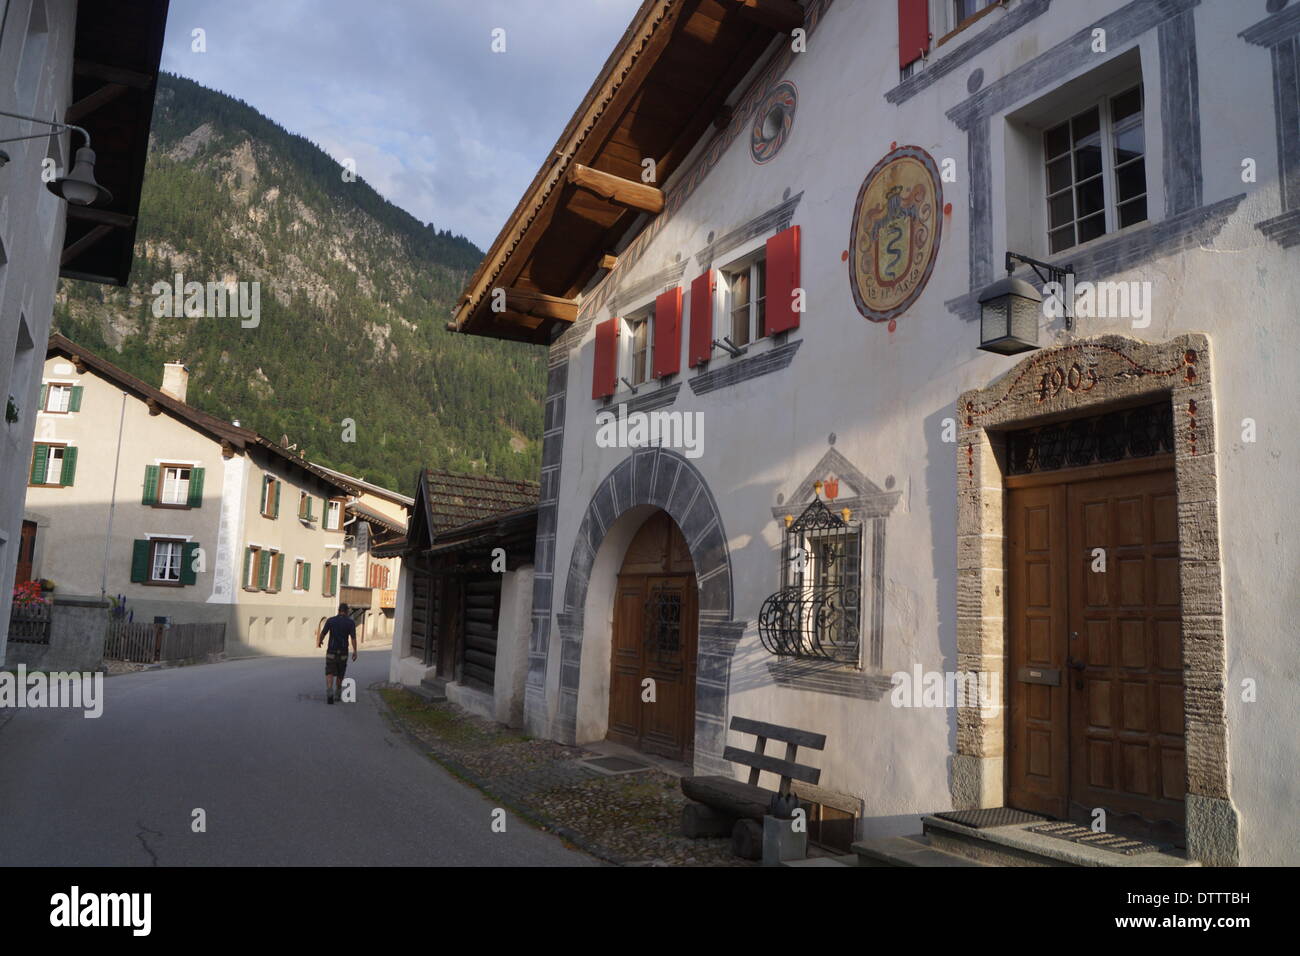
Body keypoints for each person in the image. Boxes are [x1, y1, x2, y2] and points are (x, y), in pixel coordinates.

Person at [317, 603, 358, 704]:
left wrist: (320, 641)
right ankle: (338, 693)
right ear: (347, 611)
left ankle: (330, 690)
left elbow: (323, 633)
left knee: (329, 672)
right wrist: (355, 651)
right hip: (343, 652)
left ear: (339, 610)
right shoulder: (350, 623)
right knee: (340, 673)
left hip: (331, 651)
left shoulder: (331, 621)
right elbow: (353, 638)